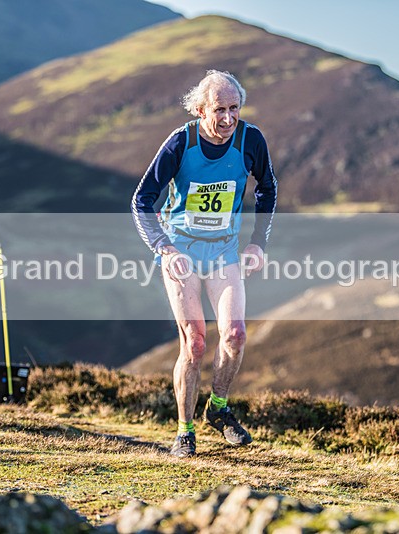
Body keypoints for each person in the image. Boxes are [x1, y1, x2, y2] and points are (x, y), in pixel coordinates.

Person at [131, 70, 278, 458]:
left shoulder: (251, 140)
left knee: (235, 336)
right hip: (181, 251)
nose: (228, 118)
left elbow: (267, 188)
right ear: (200, 110)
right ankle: (184, 429)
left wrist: (258, 243)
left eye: (234, 108)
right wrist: (164, 247)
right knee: (194, 343)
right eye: (219, 110)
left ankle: (219, 408)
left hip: (224, 252)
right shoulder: (181, 142)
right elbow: (141, 200)